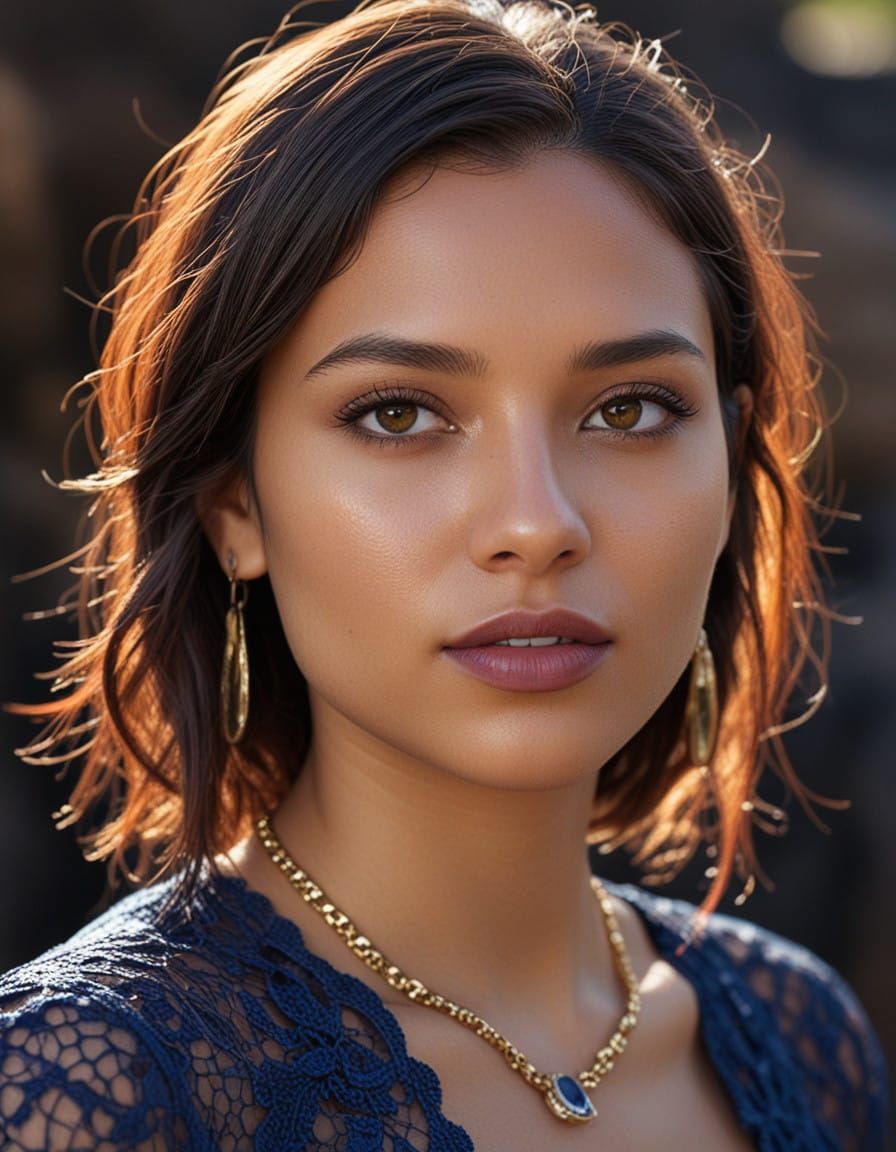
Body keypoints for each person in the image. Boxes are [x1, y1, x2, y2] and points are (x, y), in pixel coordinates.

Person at [0, 0, 889, 1147]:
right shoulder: (80, 1093)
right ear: (232, 500)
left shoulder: (798, 1039)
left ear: (730, 460)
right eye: (399, 413)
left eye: (627, 409)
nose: (535, 522)